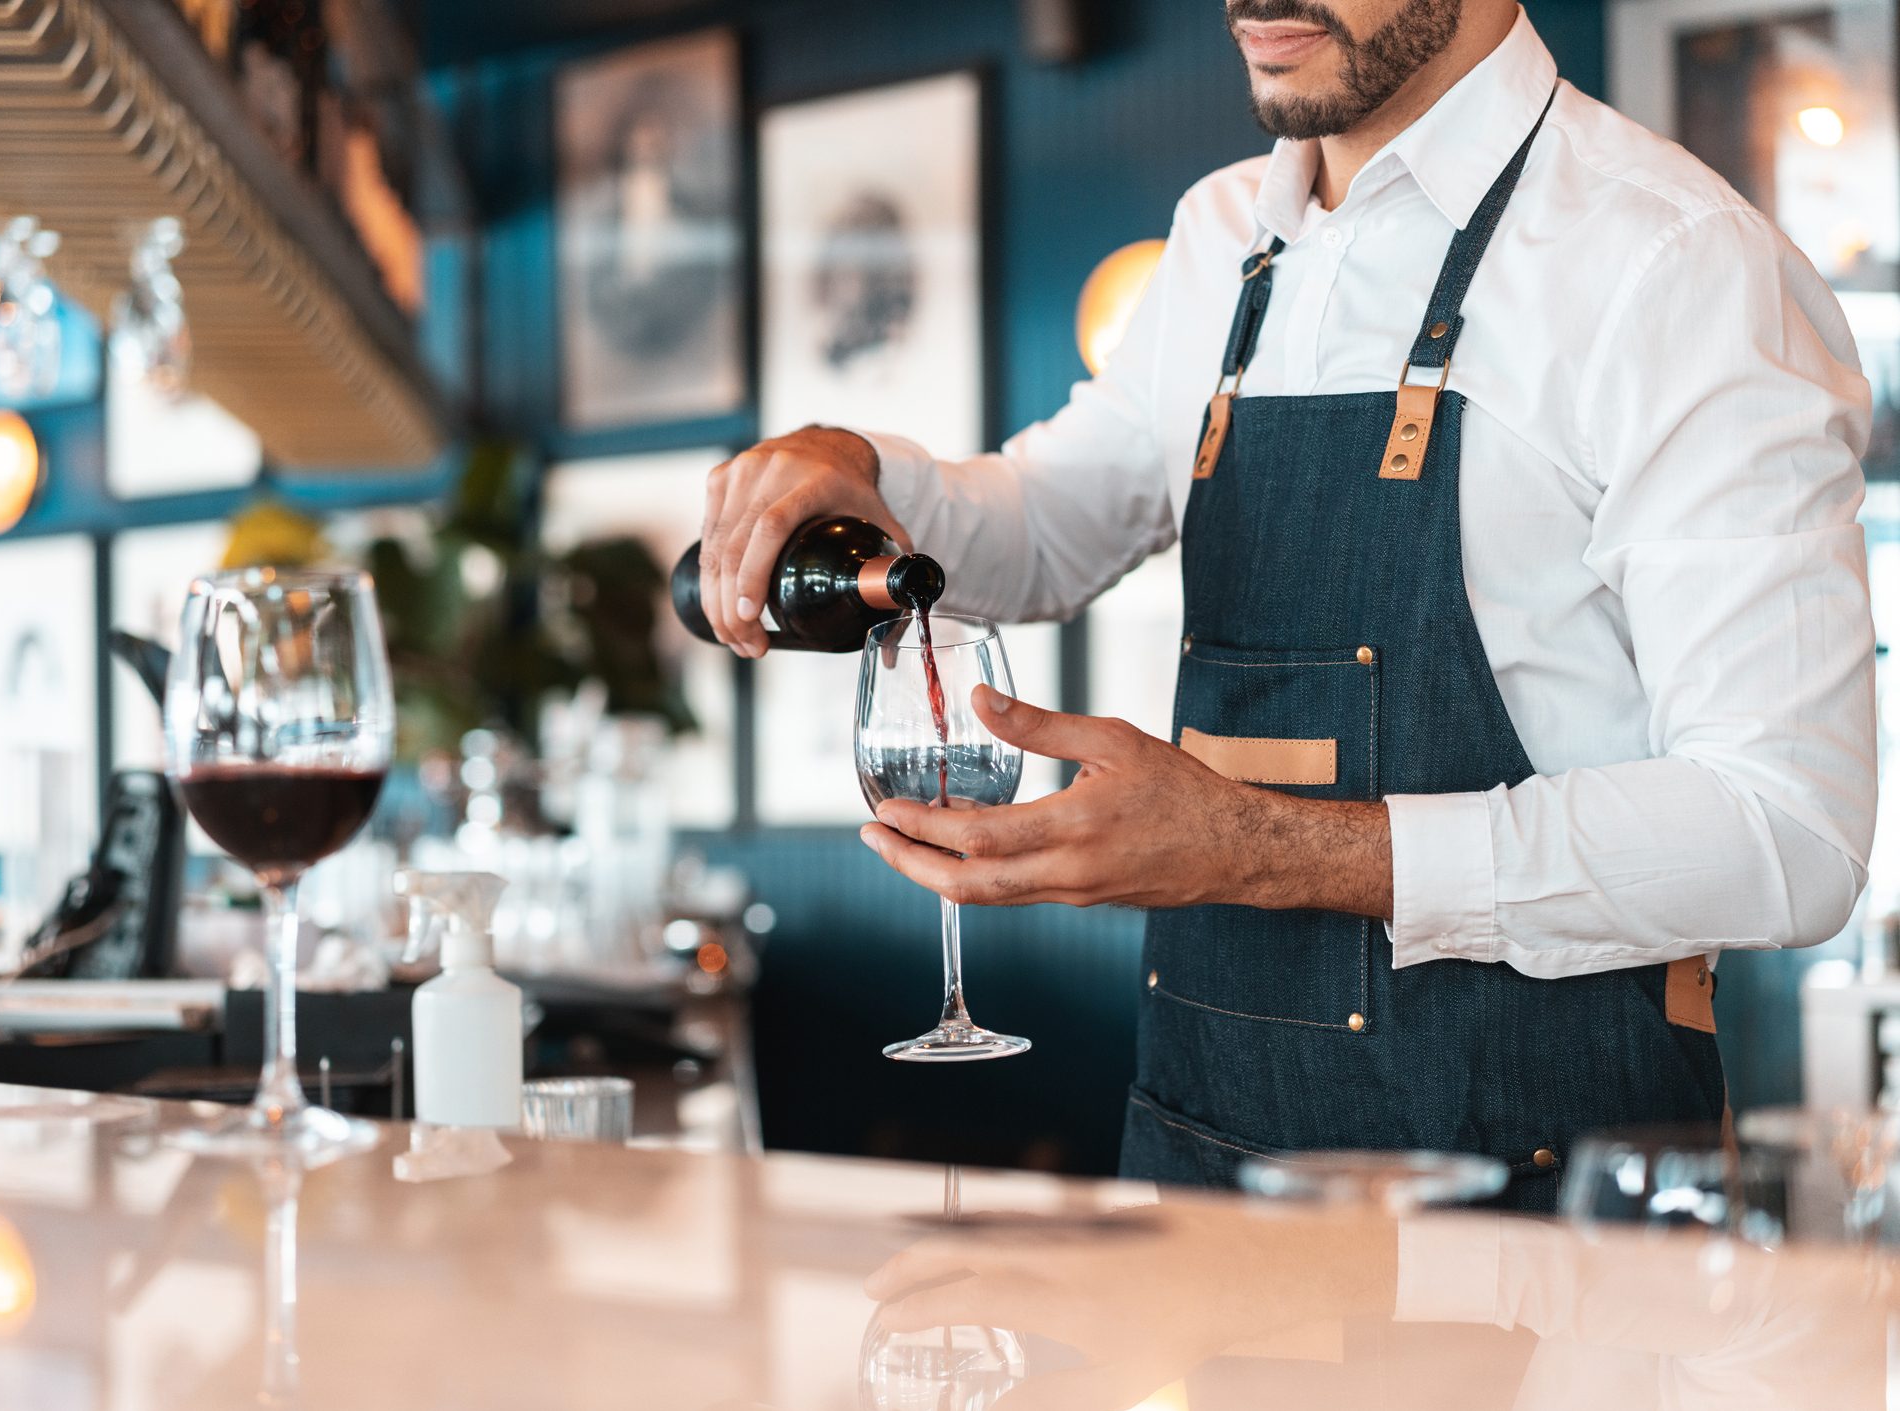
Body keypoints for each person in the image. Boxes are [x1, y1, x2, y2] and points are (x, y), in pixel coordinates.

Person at [697, 0, 1876, 1210]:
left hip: (1542, 1234)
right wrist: (858, 467)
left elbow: (1785, 828)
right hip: (1204, 1186)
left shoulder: (1671, 261)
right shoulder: (1219, 234)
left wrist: (1258, 849)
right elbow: (1048, 523)